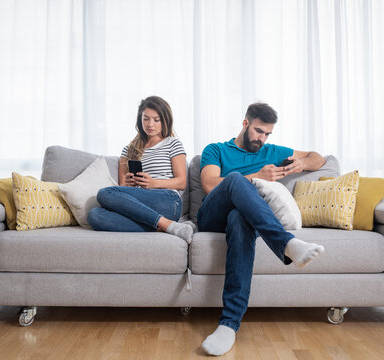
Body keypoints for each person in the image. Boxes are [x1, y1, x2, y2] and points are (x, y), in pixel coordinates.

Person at [198, 102, 326, 356]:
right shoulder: (216, 149)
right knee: (234, 178)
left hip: (244, 217)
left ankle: (228, 325)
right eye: (258, 131)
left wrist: (302, 164)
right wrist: (257, 175)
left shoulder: (271, 151)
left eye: (267, 134)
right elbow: (210, 186)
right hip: (211, 216)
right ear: (245, 124)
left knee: (239, 219)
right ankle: (286, 243)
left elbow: (319, 157)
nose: (262, 138)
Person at [87, 96, 194, 243]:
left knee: (104, 193)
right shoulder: (128, 150)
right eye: (146, 119)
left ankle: (165, 223)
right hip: (139, 203)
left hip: (167, 201)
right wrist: (128, 184)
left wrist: (153, 183)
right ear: (140, 120)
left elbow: (181, 182)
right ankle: (165, 226)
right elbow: (122, 188)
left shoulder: (173, 144)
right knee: (94, 215)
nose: (150, 124)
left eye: (157, 120)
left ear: (165, 121)